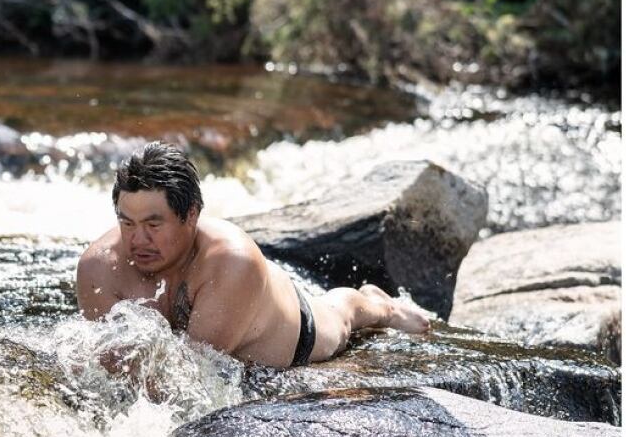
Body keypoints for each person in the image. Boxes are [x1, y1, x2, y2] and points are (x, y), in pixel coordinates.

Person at [76, 141, 431, 368]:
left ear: (192, 215)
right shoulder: (99, 267)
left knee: (342, 317)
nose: (138, 239)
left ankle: (379, 305)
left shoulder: (230, 262)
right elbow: (108, 366)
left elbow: (190, 376)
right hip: (245, 295)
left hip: (293, 333)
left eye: (154, 224)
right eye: (127, 222)